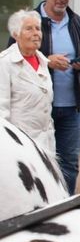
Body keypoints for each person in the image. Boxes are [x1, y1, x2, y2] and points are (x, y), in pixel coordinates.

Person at [8, 0, 80, 194]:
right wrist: (48, 59)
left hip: (72, 106)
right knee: (35, 162)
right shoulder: (29, 20)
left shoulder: (75, 22)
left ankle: (64, 203)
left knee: (69, 162)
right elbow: (14, 53)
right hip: (37, 109)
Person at [0, 10, 55, 153]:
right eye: (29, 29)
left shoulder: (42, 60)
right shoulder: (5, 63)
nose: (36, 33)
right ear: (15, 34)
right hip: (19, 145)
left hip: (46, 143)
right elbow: (1, 110)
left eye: (38, 28)